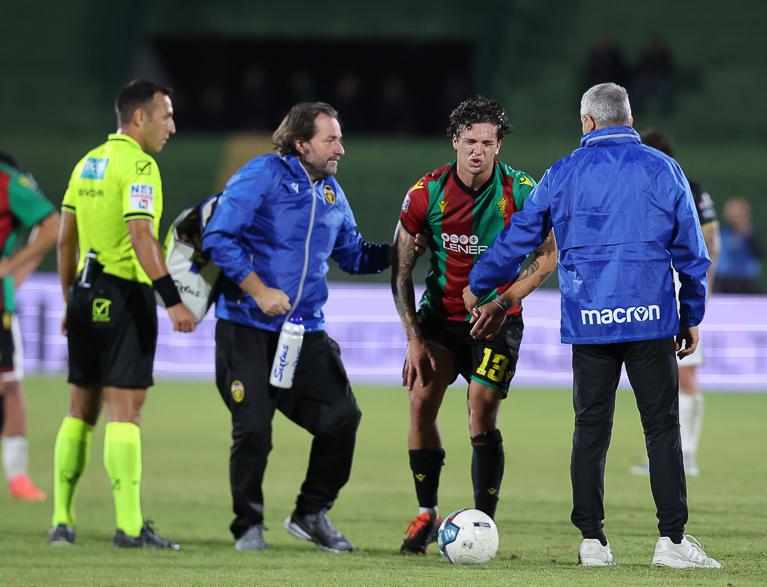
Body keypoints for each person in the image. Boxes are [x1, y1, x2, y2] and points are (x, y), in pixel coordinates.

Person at [467, 83, 721, 569]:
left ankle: (592, 542)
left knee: (589, 430)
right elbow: (692, 250)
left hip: (590, 320)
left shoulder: (562, 172)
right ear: (627, 118)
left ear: (587, 122)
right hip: (650, 319)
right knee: (662, 429)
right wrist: (691, 314)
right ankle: (671, 542)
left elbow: (521, 233)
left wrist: (481, 283)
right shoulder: (664, 168)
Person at [202, 102, 391, 553]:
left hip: (305, 331)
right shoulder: (261, 175)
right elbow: (218, 237)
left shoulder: (331, 193)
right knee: (254, 429)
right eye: (331, 140)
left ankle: (311, 512)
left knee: (342, 418)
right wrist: (258, 289)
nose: (340, 149)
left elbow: (354, 256)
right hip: (246, 326)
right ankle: (248, 524)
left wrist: (402, 248)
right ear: (302, 143)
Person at [391, 96, 556, 555]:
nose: (477, 150)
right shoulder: (427, 193)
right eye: (469, 141)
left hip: (499, 320)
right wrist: (413, 339)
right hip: (441, 321)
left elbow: (548, 255)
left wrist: (504, 302)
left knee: (481, 409)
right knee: (420, 404)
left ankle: (483, 522)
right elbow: (401, 269)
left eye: (487, 141)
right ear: (455, 142)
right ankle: (427, 513)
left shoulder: (522, 191)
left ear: (499, 146)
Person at [49, 80, 195, 548]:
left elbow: (65, 240)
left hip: (84, 292)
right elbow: (141, 237)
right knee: (125, 411)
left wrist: (70, 299)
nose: (171, 126)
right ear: (139, 118)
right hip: (124, 294)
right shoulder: (139, 166)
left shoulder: (87, 162)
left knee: (79, 409)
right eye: (166, 115)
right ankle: (129, 527)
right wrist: (172, 299)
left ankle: (62, 521)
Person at [628, 131, 719, 478]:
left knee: (686, 374)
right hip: (656, 290)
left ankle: (687, 453)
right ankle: (669, 454)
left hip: (677, 287)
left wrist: (701, 293)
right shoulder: (659, 187)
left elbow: (709, 240)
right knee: (664, 377)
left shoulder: (686, 188)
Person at [0, 152, 60, 500]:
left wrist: (14, 267)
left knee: (8, 385)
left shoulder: (9, 181)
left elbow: (50, 225)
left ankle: (17, 475)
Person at [715, 197, 766, 294]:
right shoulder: (722, 232)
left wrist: (747, 233)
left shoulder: (752, 234)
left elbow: (761, 252)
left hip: (746, 282)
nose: (735, 219)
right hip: (722, 282)